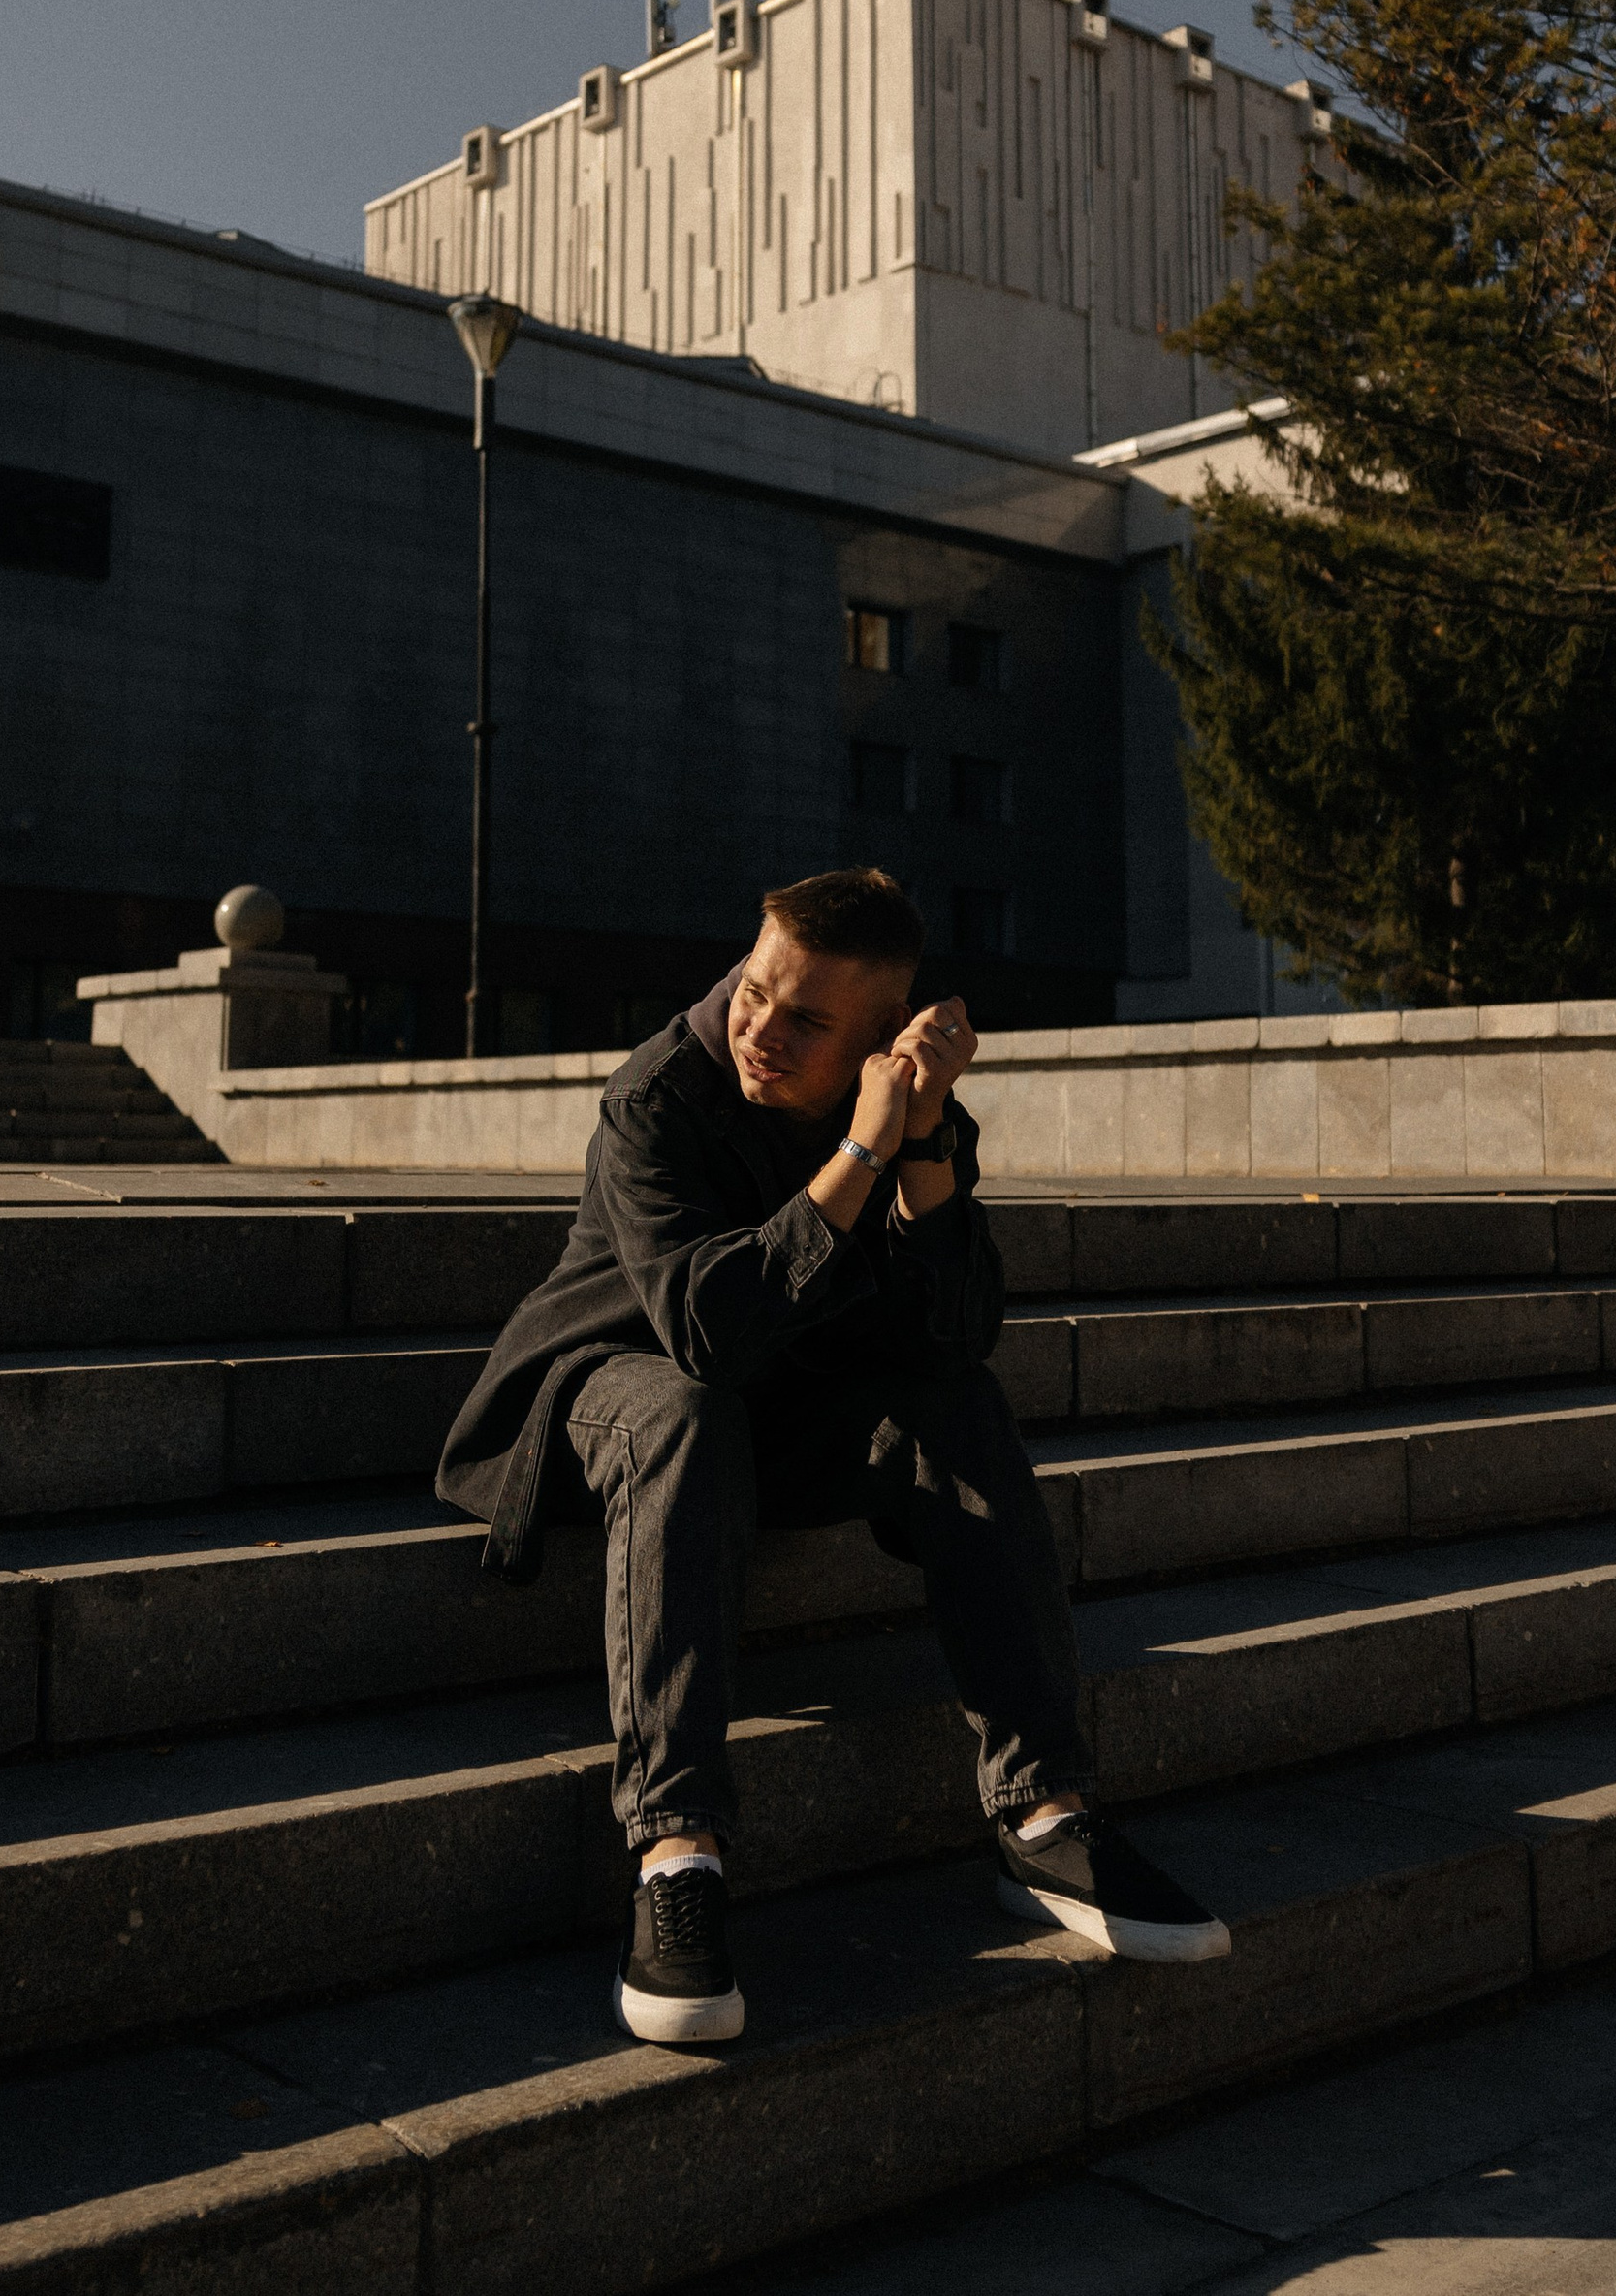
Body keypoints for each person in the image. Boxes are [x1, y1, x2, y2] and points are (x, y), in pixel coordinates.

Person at [436, 864, 1228, 2044]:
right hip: (596, 1396)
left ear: (873, 1041)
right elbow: (705, 1332)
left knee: (954, 1408)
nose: (758, 1028)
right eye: (756, 991)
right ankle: (674, 1856)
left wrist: (919, 1154)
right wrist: (856, 1159)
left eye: (806, 1019)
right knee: (679, 1410)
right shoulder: (659, 1096)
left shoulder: (908, 1111)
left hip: (771, 1416)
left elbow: (955, 1338)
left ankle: (1044, 1818)